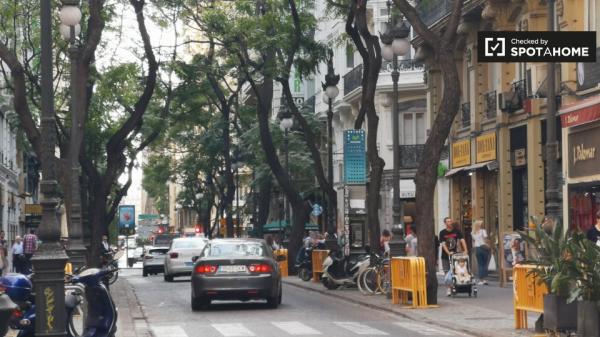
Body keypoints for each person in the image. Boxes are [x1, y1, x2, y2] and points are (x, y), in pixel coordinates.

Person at [439, 217, 467, 296]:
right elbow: (443, 244)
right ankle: (448, 288)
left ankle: (454, 286)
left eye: (451, 221)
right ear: (445, 223)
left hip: (456, 255)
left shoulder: (457, 231)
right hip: (445, 255)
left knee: (455, 270)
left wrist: (465, 250)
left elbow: (462, 240)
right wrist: (448, 252)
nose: (450, 222)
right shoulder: (442, 232)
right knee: (446, 271)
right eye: (448, 221)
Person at [471, 220, 490, 285]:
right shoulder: (483, 231)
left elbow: (473, 241)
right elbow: (485, 240)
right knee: (485, 264)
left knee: (480, 264)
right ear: (479, 225)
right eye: (481, 224)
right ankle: (484, 279)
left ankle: (481, 280)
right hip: (484, 248)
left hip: (477, 249)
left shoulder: (472, 232)